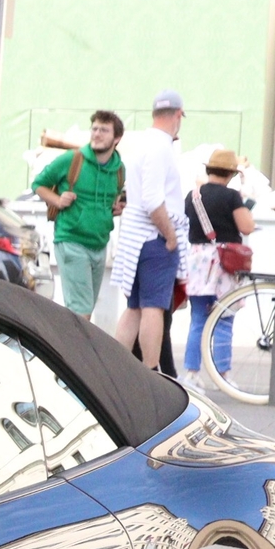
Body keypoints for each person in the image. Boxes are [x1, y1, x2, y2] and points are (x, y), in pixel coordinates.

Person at [110, 91, 187, 371]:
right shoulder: (161, 148)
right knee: (153, 307)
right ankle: (151, 372)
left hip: (135, 238)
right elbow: (154, 199)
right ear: (178, 115)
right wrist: (170, 235)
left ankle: (115, 369)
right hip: (154, 238)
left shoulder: (142, 144)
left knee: (134, 308)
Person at [32, 110, 128, 318]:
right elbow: (38, 184)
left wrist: (115, 209)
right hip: (71, 241)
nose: (97, 134)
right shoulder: (73, 159)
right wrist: (57, 200)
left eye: (104, 130)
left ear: (117, 138)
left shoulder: (119, 170)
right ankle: (71, 351)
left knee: (84, 311)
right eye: (94, 128)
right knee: (81, 310)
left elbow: (111, 202)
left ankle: (63, 347)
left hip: (99, 244)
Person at [181, 148, 255, 377]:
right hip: (224, 263)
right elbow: (246, 227)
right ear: (231, 174)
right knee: (224, 317)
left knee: (199, 318)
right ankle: (223, 373)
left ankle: (192, 372)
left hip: (197, 261)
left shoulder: (193, 196)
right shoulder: (232, 196)